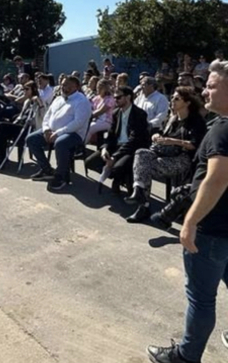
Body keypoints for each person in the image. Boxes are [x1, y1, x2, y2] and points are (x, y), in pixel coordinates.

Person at [147, 59, 228, 363]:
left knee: (201, 298)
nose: (203, 89)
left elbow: (218, 177)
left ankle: (185, 356)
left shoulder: (222, 129)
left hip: (213, 227)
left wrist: (190, 221)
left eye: (211, 84)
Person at [125, 87, 206, 223]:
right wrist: (157, 136)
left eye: (177, 99)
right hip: (164, 155)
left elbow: (194, 144)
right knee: (141, 153)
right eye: (172, 98)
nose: (172, 101)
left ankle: (143, 205)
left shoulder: (195, 121)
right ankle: (139, 189)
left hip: (183, 159)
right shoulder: (172, 119)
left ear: (187, 103)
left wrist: (173, 141)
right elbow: (163, 135)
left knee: (145, 167)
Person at [26, 76, 92, 191]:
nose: (63, 87)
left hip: (73, 134)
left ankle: (61, 176)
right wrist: (46, 129)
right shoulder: (58, 99)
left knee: (61, 143)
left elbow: (78, 122)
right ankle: (47, 169)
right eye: (62, 84)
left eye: (66, 85)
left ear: (75, 87)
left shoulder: (82, 101)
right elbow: (47, 115)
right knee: (31, 139)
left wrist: (58, 133)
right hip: (51, 131)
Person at [88, 86, 150, 194]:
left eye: (118, 97)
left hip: (132, 148)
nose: (115, 100)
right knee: (90, 162)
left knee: (117, 167)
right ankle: (119, 177)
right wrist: (105, 148)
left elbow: (134, 140)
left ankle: (119, 178)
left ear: (128, 97)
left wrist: (115, 156)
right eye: (114, 98)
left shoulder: (139, 114)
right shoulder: (116, 113)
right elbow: (111, 135)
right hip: (117, 145)